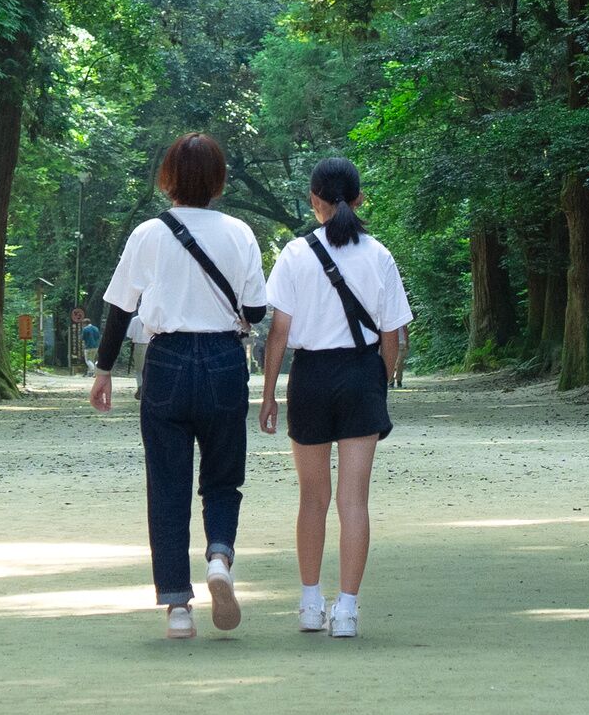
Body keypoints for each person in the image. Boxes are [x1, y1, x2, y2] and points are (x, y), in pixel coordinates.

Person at [88, 133, 267, 642]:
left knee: (166, 486)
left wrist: (104, 371)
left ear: (168, 176)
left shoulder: (148, 233)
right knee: (223, 477)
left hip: (165, 361)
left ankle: (177, 606)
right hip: (223, 360)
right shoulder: (239, 232)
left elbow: (120, 308)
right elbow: (255, 310)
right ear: (218, 179)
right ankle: (219, 557)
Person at [257, 155, 408, 639]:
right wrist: (379, 384)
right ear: (360, 199)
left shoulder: (295, 255)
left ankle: (308, 603)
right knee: (354, 500)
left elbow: (278, 333)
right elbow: (392, 335)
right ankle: (346, 610)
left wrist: (268, 395)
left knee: (312, 498)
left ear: (313, 200)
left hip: (312, 377)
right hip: (362, 374)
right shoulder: (379, 255)